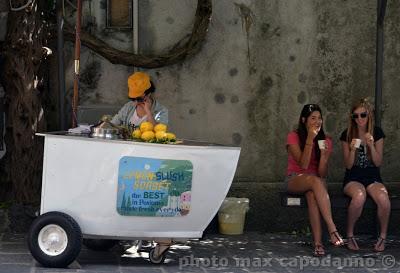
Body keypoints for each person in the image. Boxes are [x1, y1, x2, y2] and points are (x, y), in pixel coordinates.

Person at [285, 104, 344, 256]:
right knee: (314, 182)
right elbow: (303, 165)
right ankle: (332, 229)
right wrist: (310, 139)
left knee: (312, 194)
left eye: (319, 118)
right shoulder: (293, 137)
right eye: (313, 118)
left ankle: (318, 243)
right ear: (304, 120)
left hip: (316, 182)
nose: (317, 121)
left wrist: (324, 157)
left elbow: (322, 174)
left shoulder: (326, 140)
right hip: (295, 179)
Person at [340, 98, 390, 252]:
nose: (359, 119)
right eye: (356, 116)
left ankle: (382, 237)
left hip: (372, 177)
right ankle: (350, 235)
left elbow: (378, 162)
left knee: (383, 199)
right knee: (359, 196)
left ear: (369, 115)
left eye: (363, 115)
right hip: (353, 177)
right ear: (352, 118)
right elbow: (348, 165)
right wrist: (353, 149)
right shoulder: (347, 134)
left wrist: (371, 145)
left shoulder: (377, 132)